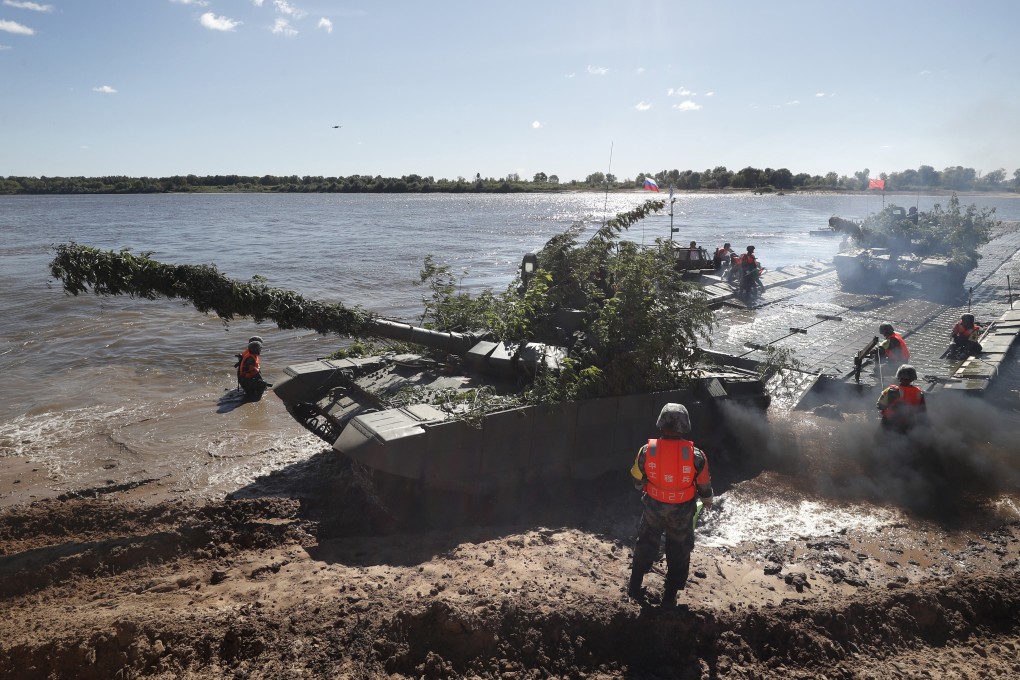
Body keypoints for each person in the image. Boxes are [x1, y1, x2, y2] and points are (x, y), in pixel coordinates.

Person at [628, 403, 713, 609]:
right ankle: (669, 596)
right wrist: (707, 500)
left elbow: (638, 482)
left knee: (646, 542)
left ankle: (634, 585)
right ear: (685, 426)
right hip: (682, 512)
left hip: (653, 508)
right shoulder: (696, 456)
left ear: (660, 423)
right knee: (678, 550)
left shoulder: (647, 451)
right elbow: (704, 487)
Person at [877, 364, 927, 432]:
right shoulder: (919, 392)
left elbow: (880, 405)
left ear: (899, 377)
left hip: (891, 423)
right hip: (909, 424)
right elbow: (923, 411)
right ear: (913, 378)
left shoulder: (892, 390)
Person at [236, 336, 272, 401]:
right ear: (255, 349)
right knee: (262, 384)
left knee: (261, 382)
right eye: (259, 349)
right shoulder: (250, 359)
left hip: (244, 379)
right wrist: (263, 383)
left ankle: (250, 392)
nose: (260, 350)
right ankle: (256, 398)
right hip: (244, 380)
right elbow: (254, 372)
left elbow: (254, 372)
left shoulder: (251, 354)